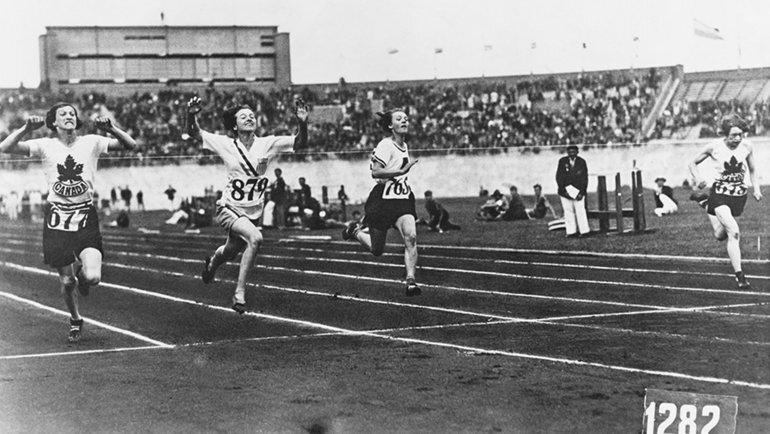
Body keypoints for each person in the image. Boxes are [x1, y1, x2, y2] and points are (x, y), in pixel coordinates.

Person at [0, 102, 136, 342]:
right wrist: (25, 129)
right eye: (63, 114)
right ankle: (75, 319)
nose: (69, 116)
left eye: (72, 113)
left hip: (84, 215)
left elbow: (131, 145)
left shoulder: (91, 141)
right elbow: (5, 147)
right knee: (66, 280)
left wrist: (112, 129)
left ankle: (84, 278)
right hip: (57, 219)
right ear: (53, 121)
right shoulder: (45, 145)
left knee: (92, 277)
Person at [186, 95, 309, 313]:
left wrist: (302, 122)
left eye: (252, 116)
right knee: (256, 238)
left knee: (231, 251)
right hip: (229, 208)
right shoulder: (226, 144)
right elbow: (196, 133)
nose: (250, 118)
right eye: (244, 116)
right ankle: (239, 293)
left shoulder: (267, 143)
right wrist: (191, 115)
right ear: (234, 124)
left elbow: (299, 143)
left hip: (252, 211)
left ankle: (212, 265)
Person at [341, 108, 421, 296]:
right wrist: (399, 173)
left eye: (406, 119)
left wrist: (401, 177)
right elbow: (375, 172)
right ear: (390, 125)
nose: (404, 121)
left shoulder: (404, 144)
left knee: (411, 236)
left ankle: (411, 281)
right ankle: (356, 231)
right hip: (382, 201)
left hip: (401, 198)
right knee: (377, 249)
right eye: (399, 119)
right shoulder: (386, 145)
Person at [688, 115, 762, 289]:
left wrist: (756, 188)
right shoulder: (714, 147)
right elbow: (692, 163)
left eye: (740, 135)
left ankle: (705, 203)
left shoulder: (747, 146)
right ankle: (740, 276)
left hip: (738, 197)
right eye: (734, 135)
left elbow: (752, 169)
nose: (737, 139)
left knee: (720, 235)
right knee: (734, 232)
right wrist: (698, 178)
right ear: (725, 134)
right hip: (720, 194)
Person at [556, 145, 590, 237]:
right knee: (568, 211)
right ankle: (571, 231)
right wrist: (564, 191)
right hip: (565, 191)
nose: (572, 154)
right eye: (570, 152)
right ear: (567, 153)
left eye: (573, 152)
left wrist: (582, 193)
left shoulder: (581, 162)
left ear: (577, 152)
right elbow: (559, 177)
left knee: (580, 210)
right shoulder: (562, 161)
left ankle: (584, 231)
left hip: (578, 191)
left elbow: (585, 179)